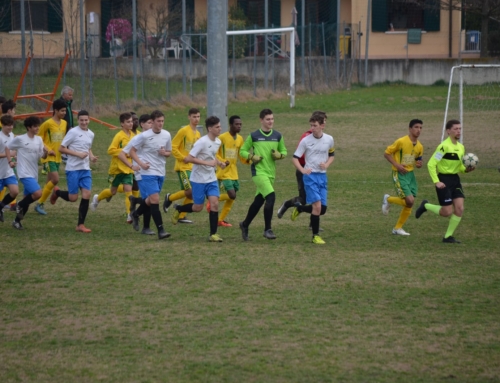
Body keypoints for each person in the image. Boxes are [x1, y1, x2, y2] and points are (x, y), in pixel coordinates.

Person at [415, 119, 475, 243]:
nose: (458, 131)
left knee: (459, 208)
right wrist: (436, 181)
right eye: (456, 129)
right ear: (448, 131)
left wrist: (466, 170)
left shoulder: (461, 147)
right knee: (447, 212)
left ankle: (448, 237)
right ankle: (425, 205)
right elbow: (431, 164)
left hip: (455, 180)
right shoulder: (443, 147)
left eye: (460, 129)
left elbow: (460, 167)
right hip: (444, 180)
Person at [171, 116, 226, 241]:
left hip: (211, 178)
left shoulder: (217, 142)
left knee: (215, 204)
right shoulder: (201, 142)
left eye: (220, 126)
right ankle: (179, 208)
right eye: (217, 127)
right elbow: (190, 158)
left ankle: (213, 234)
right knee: (198, 207)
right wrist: (207, 164)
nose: (220, 129)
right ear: (210, 128)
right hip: (198, 179)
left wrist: (219, 162)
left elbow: (211, 156)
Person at [239, 108, 287, 241]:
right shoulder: (254, 136)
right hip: (258, 173)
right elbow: (242, 151)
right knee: (271, 196)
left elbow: (284, 151)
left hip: (271, 173)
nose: (270, 121)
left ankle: (245, 224)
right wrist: (251, 156)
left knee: (259, 201)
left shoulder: (278, 136)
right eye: (268, 119)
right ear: (261, 120)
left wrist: (280, 155)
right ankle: (268, 229)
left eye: (272, 119)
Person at [277, 111, 327, 231]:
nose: (325, 124)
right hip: (305, 171)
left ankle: (312, 224)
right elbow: (299, 156)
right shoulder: (306, 137)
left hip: (318, 173)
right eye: (323, 121)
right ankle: (287, 204)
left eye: (324, 121)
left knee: (318, 200)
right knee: (304, 200)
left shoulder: (324, 137)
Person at [49, 110, 98, 233]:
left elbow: (88, 147)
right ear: (78, 120)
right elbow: (61, 148)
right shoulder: (73, 132)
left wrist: (91, 157)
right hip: (73, 169)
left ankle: (80, 225)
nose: (84, 122)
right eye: (81, 120)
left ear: (89, 120)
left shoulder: (91, 134)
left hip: (85, 169)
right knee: (73, 198)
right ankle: (57, 192)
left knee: (87, 195)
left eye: (86, 120)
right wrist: (77, 154)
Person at [290, 114, 334, 244]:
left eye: (315, 126)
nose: (312, 128)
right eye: (311, 125)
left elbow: (332, 154)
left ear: (322, 125)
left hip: (322, 176)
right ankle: (315, 236)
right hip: (310, 177)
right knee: (317, 207)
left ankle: (300, 208)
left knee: (322, 210)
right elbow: (294, 158)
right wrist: (303, 170)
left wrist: (326, 164)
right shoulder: (306, 140)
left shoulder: (329, 139)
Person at [128, 110, 172, 240]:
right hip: (147, 172)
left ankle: (136, 213)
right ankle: (161, 230)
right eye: (158, 121)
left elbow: (169, 152)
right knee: (155, 200)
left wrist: (165, 153)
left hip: (160, 171)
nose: (161, 124)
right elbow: (132, 151)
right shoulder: (144, 136)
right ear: (152, 122)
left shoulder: (166, 134)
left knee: (150, 199)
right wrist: (141, 164)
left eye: (162, 121)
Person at [381, 119, 424, 236]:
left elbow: (417, 161)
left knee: (410, 203)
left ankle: (397, 228)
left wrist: (419, 164)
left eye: (420, 127)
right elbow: (386, 153)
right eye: (416, 127)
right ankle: (388, 199)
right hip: (399, 174)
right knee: (410, 201)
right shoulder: (401, 141)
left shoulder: (420, 146)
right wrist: (397, 165)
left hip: (411, 175)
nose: (418, 130)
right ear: (410, 129)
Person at [206, 115, 249, 227]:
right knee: (232, 195)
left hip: (234, 172)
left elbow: (241, 155)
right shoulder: (222, 138)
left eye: (240, 124)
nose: (239, 126)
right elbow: (215, 153)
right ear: (230, 125)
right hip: (223, 172)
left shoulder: (240, 139)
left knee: (231, 198)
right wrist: (223, 161)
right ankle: (212, 200)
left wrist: (249, 160)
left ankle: (220, 220)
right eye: (236, 124)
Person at [91, 112, 136, 222]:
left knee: (128, 191)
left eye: (131, 121)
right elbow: (110, 150)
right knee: (113, 191)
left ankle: (130, 214)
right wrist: (124, 152)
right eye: (128, 122)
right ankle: (97, 198)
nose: (131, 124)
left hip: (128, 168)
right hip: (117, 169)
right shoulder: (119, 136)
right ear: (122, 124)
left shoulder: (134, 136)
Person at [118, 114, 156, 235]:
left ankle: (134, 202)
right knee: (149, 198)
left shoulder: (155, 137)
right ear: (142, 124)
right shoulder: (137, 138)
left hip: (153, 172)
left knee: (150, 199)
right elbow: (121, 154)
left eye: (152, 122)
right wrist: (132, 166)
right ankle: (146, 227)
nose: (151, 125)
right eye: (149, 123)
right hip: (141, 173)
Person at [162, 107, 202, 224]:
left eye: (198, 116)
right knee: (190, 192)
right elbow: (173, 146)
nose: (196, 119)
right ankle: (169, 198)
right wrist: (183, 158)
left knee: (192, 193)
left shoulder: (198, 133)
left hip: (193, 168)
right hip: (183, 167)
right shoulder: (184, 131)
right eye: (194, 116)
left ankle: (181, 216)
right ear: (189, 117)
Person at [7, 116, 48, 230]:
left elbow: (41, 156)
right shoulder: (20, 139)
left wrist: (45, 153)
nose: (37, 128)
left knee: (27, 199)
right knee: (37, 194)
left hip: (34, 173)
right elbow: (8, 147)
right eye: (35, 126)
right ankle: (18, 204)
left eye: (38, 126)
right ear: (29, 127)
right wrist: (10, 161)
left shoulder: (39, 139)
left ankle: (17, 221)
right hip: (23, 173)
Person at [33, 99, 68, 215]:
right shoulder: (47, 124)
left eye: (65, 111)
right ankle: (39, 203)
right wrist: (48, 149)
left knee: (49, 182)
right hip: (48, 157)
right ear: (55, 110)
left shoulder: (64, 123)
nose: (64, 113)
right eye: (62, 111)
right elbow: (38, 139)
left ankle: (38, 202)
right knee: (55, 179)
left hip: (58, 157)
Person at [0, 115, 19, 223]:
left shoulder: (11, 135)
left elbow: (11, 150)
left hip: (8, 171)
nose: (10, 127)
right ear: (2, 125)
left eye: (11, 125)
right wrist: (9, 155)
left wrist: (14, 156)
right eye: (8, 125)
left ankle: (1, 207)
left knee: (15, 191)